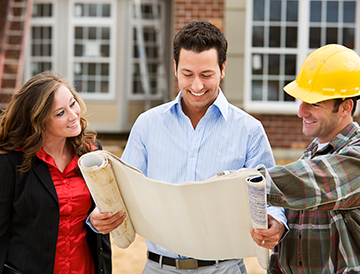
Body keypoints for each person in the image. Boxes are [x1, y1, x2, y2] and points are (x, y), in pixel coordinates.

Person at [91, 20, 287, 273]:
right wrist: (99, 216)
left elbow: (273, 198)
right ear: (175, 68)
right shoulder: (147, 125)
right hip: (158, 267)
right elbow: (122, 191)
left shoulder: (249, 130)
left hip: (224, 268)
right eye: (187, 74)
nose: (196, 86)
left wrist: (277, 223)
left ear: (222, 69)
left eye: (206, 75)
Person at [250, 44, 360, 273]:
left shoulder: (354, 156)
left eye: (314, 103)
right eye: (301, 101)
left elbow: (315, 182)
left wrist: (245, 182)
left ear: (345, 107)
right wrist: (278, 226)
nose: (301, 111)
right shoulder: (309, 157)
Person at [0, 70, 120, 274]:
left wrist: (95, 221)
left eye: (72, 103)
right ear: (38, 121)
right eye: (60, 113)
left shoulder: (92, 153)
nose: (74, 116)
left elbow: (98, 225)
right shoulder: (10, 161)